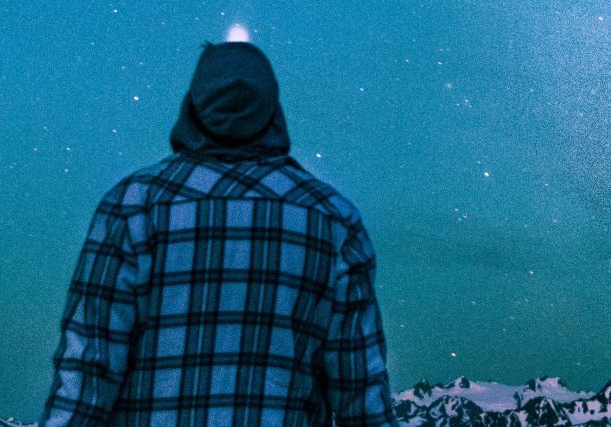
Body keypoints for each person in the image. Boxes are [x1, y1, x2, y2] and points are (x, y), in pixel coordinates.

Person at [39, 41, 395, 426]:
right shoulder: (331, 219)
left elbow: (86, 371)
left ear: (191, 108)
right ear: (274, 112)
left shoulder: (133, 207)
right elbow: (362, 393)